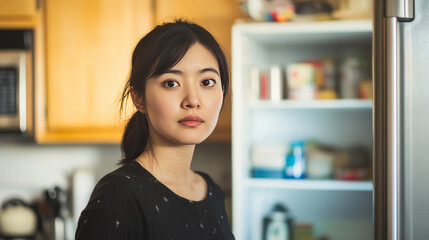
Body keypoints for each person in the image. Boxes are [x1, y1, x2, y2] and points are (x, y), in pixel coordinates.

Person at [75, 19, 234, 240]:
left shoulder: (212, 191)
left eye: (207, 82)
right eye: (171, 83)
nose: (193, 100)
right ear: (139, 99)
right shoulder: (118, 198)